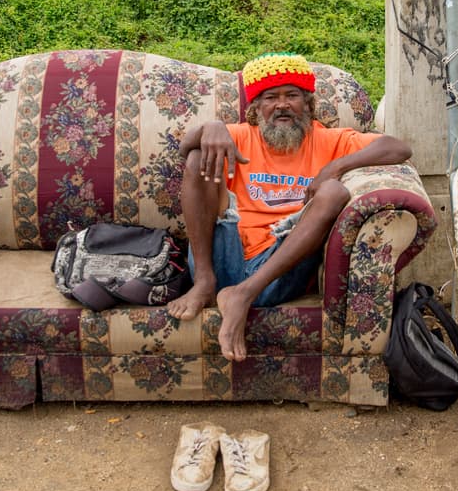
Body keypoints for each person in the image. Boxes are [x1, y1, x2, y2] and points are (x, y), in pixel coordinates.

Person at [166, 52, 412, 362]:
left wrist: (336, 167)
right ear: (256, 108)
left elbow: (398, 147)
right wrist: (210, 128)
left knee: (334, 191)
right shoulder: (238, 136)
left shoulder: (330, 140)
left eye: (292, 96)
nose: (282, 104)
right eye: (271, 97)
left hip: (279, 272)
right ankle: (203, 283)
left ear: (307, 105)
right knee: (197, 157)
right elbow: (184, 148)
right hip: (223, 259)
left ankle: (243, 294)